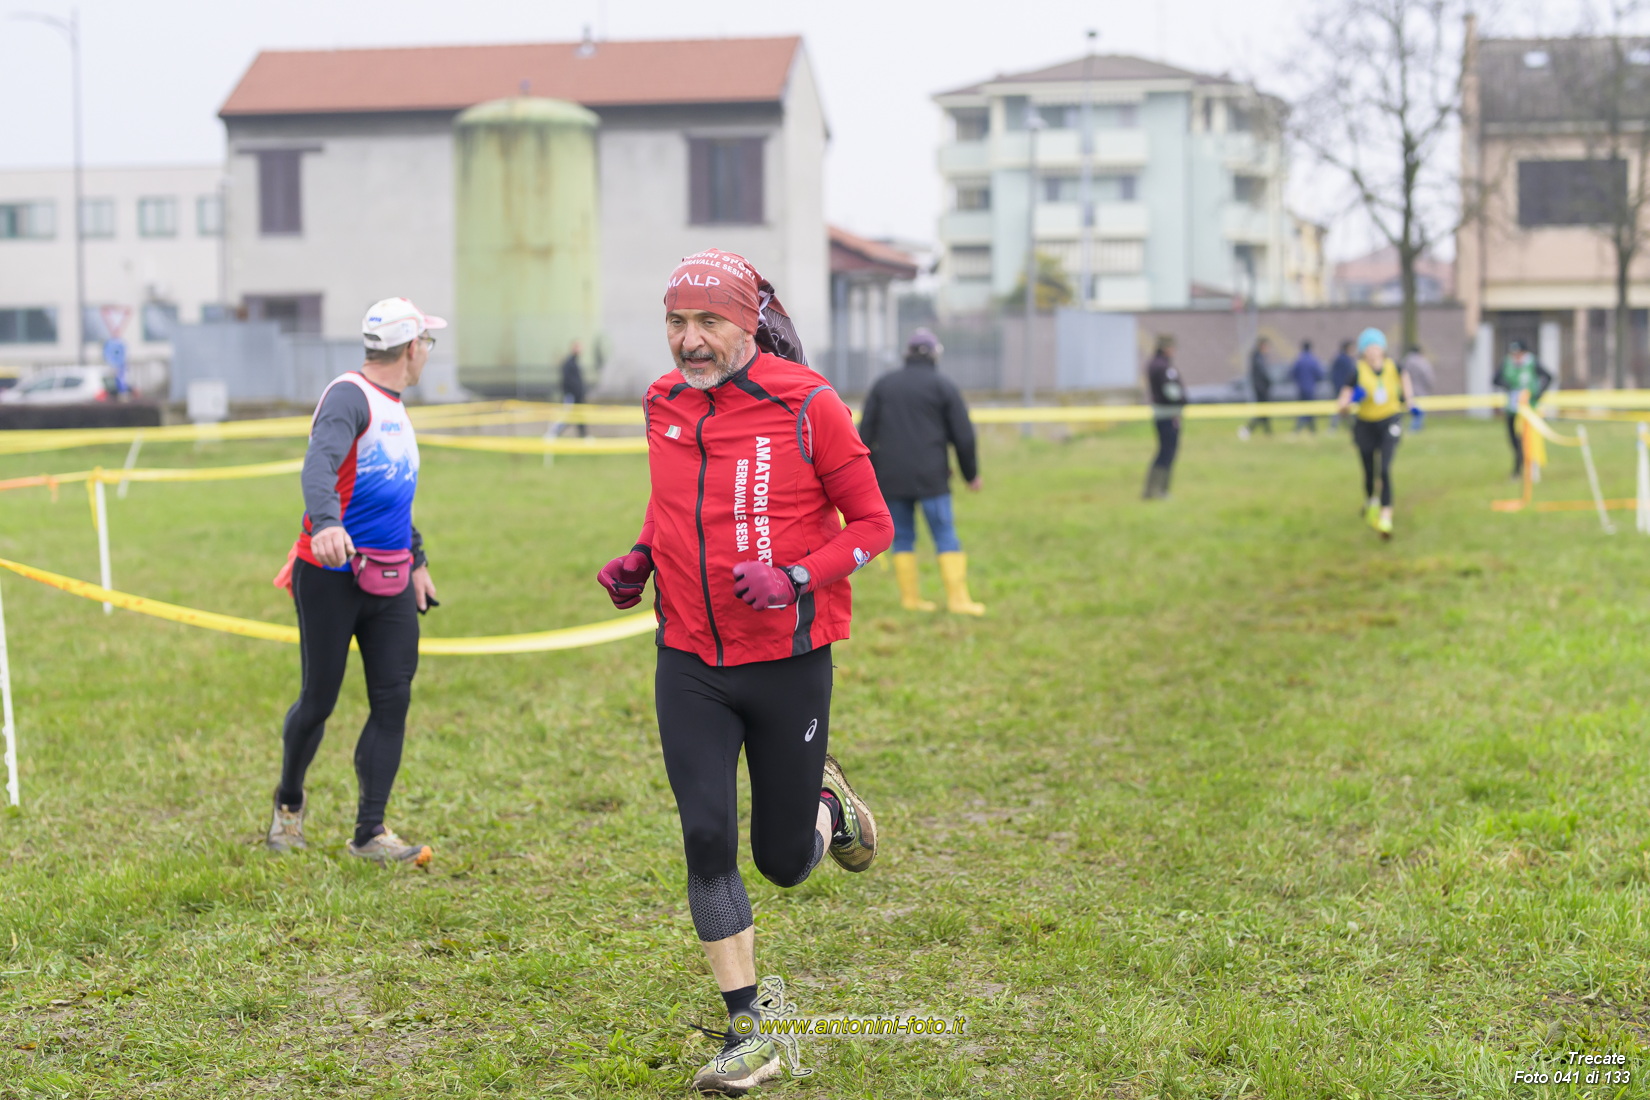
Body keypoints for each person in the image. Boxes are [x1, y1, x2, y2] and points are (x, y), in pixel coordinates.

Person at [595, 249, 893, 1095]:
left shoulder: (809, 404)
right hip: (689, 657)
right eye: (676, 323)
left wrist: (796, 576)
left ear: (748, 324)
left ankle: (831, 807)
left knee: (784, 862)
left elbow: (874, 524)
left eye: (708, 323)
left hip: (787, 661)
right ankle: (748, 1031)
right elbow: (671, 502)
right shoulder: (662, 402)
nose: (689, 341)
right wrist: (642, 555)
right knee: (705, 838)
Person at [266, 298, 443, 865]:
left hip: (389, 577)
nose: (427, 353)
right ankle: (288, 805)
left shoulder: (395, 406)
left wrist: (417, 559)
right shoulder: (349, 396)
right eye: (427, 344)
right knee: (318, 700)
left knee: (393, 699)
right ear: (411, 348)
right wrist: (325, 523)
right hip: (330, 575)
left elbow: (392, 493)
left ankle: (370, 832)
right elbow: (319, 464)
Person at [858, 327, 985, 613]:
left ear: (908, 354)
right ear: (935, 355)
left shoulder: (884, 385)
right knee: (944, 534)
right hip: (932, 478)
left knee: (902, 537)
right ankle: (959, 600)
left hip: (890, 479)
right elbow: (964, 436)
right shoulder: (943, 386)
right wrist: (970, 475)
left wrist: (869, 474)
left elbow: (864, 434)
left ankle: (911, 600)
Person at [1335, 326, 1415, 540]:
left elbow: (1406, 385)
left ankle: (1386, 516)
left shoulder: (1394, 367)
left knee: (1385, 468)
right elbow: (1341, 406)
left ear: (1383, 349)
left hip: (1389, 420)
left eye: (1376, 346)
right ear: (1363, 351)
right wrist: (1351, 401)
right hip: (1365, 424)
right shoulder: (1356, 372)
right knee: (1369, 469)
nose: (1372, 351)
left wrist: (1410, 402)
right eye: (1368, 347)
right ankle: (1371, 500)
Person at [1494, 339, 1554, 477]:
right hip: (1512, 408)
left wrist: (1538, 394)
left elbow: (1549, 377)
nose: (1516, 356)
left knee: (1528, 440)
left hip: (1529, 409)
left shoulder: (1532, 362)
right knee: (1514, 440)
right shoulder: (1507, 363)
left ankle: (1529, 469)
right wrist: (1508, 386)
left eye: (1519, 353)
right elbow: (1495, 379)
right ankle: (1519, 468)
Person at [1142, 334, 1186, 500]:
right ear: (1166, 347)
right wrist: (1182, 401)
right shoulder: (1163, 367)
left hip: (1163, 413)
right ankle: (1158, 491)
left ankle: (1154, 490)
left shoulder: (1156, 364)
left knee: (1164, 451)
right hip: (1168, 414)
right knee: (1167, 452)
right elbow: (1172, 392)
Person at [1239, 336, 1274, 439]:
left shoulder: (1258, 357)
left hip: (1261, 388)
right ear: (1262, 346)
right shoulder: (1258, 357)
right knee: (1262, 412)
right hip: (1261, 389)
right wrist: (1268, 382)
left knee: (1263, 412)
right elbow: (1263, 374)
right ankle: (1248, 430)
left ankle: (1267, 432)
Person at [1291, 339, 1324, 433]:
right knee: (1311, 409)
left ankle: (1299, 428)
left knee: (1302, 409)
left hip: (1301, 388)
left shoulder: (1299, 360)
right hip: (1311, 388)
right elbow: (1320, 375)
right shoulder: (1313, 360)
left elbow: (1292, 373)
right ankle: (1312, 429)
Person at [1402, 344, 1435, 431]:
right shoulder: (1422, 362)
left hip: (1408, 392)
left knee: (1412, 411)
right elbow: (1428, 377)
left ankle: (1412, 429)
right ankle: (1414, 430)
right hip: (1421, 392)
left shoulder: (1405, 362)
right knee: (1419, 413)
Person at [560, 340, 588, 438]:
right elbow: (568, 381)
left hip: (577, 396)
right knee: (566, 417)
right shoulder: (569, 363)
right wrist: (573, 393)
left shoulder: (575, 363)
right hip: (571, 396)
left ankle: (583, 435)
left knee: (580, 416)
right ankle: (552, 434)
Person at [1328, 340, 1358, 431]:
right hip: (1343, 389)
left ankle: (1351, 427)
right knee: (1341, 408)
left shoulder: (1340, 358)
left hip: (1342, 388)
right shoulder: (1345, 360)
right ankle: (1333, 427)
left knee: (1345, 409)